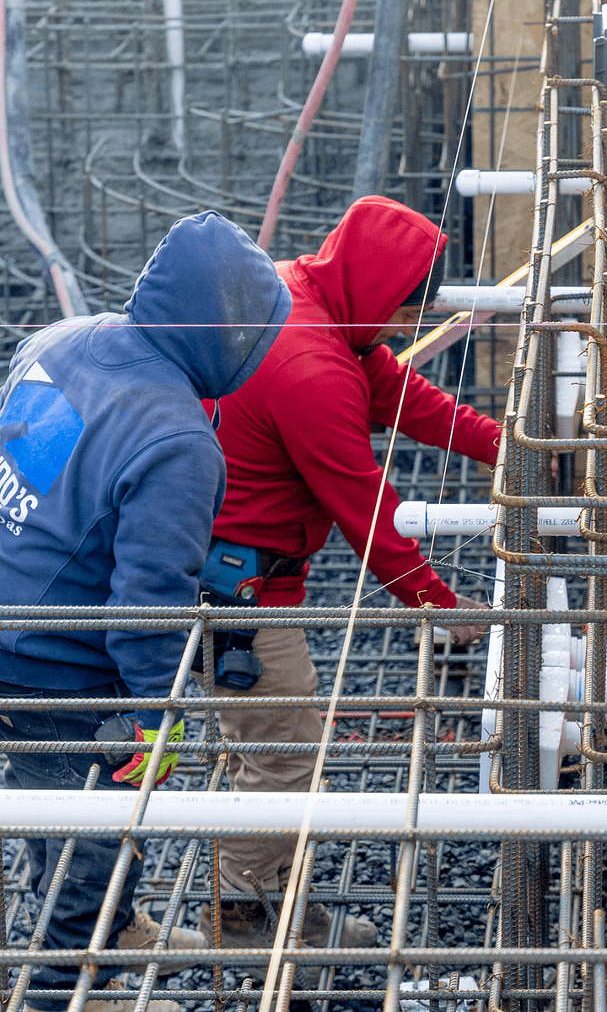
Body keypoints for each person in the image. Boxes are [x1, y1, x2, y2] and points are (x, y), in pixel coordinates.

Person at [194, 195, 501, 954]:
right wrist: (435, 601)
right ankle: (240, 917)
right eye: (405, 311)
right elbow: (368, 507)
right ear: (374, 292)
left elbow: (401, 394)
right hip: (243, 594)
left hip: (235, 568)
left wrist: (510, 447)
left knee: (262, 746)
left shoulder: (313, 296)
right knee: (285, 752)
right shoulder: (310, 366)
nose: (406, 326)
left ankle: (278, 904)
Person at [0, 211, 291, 1012]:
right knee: (92, 820)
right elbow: (146, 601)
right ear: (232, 335)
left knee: (51, 799)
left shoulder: (62, 339)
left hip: (10, 618)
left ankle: (116, 928)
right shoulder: (177, 441)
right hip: (55, 662)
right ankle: (64, 992)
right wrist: (156, 713)